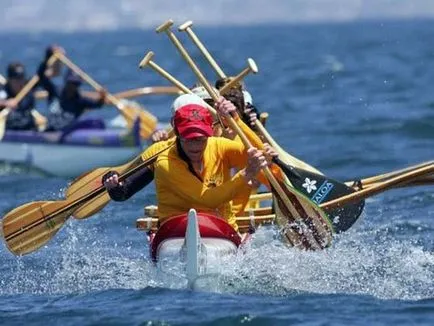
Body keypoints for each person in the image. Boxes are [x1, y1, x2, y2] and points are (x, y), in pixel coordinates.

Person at [103, 96, 274, 232]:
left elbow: (264, 156)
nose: (195, 146)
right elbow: (208, 200)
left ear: (209, 132)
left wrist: (237, 120)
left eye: (200, 139)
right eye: (188, 139)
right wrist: (113, 185)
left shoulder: (218, 146)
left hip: (222, 228)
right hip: (175, 231)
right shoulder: (164, 161)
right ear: (175, 131)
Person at [40, 60, 107, 131]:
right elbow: (41, 75)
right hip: (49, 132)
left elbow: (98, 104)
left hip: (66, 133)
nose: (72, 87)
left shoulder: (80, 101)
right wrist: (48, 56)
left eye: (75, 84)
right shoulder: (55, 91)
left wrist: (102, 96)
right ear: (66, 82)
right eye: (70, 83)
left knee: (96, 122)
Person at [0, 48, 56, 131]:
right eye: (16, 79)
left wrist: (48, 57)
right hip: (7, 126)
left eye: (21, 79)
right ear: (10, 79)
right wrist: (5, 103)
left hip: (28, 127)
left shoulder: (28, 87)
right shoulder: (3, 90)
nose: (20, 82)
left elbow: (41, 75)